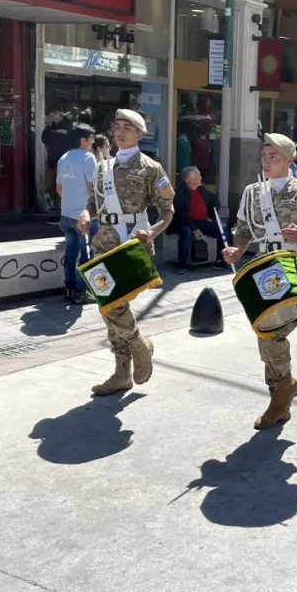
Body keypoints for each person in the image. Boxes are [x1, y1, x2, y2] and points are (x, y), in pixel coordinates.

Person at [223, 134, 297, 429]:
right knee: (264, 334)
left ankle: (280, 395)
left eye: (273, 157)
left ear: (289, 161)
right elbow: (243, 228)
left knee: (274, 335)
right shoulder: (252, 193)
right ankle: (282, 389)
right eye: (264, 156)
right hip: (263, 272)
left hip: (294, 273)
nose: (266, 161)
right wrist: (238, 250)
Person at [75, 109, 174, 395]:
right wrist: (85, 213)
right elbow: (94, 204)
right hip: (104, 241)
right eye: (117, 126)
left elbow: (167, 211)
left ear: (140, 134)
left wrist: (153, 231)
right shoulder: (102, 166)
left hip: (132, 240)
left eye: (127, 127)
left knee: (115, 303)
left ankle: (138, 344)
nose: (120, 131)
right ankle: (122, 372)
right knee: (107, 305)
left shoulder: (151, 168)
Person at [56, 122, 99, 304]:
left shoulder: (63, 158)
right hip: (84, 216)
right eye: (91, 139)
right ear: (83, 140)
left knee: (71, 254)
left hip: (66, 214)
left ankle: (70, 289)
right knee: (86, 255)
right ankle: (82, 293)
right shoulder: (88, 158)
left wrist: (71, 201)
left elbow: (59, 188)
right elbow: (93, 186)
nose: (93, 142)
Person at [172, 166, 227, 269]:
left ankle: (221, 260)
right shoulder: (180, 193)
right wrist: (194, 228)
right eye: (198, 176)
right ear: (189, 179)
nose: (201, 178)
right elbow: (181, 215)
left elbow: (214, 201)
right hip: (185, 223)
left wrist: (211, 216)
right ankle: (182, 263)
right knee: (186, 231)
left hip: (202, 222)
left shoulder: (201, 189)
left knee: (222, 229)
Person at [42, 107, 72, 214]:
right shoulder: (51, 127)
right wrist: (49, 125)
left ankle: (62, 214)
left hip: (65, 163)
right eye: (50, 116)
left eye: (53, 114)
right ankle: (57, 212)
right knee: (51, 188)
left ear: (60, 113)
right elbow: (44, 139)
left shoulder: (69, 125)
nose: (52, 117)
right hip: (52, 161)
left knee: (61, 190)